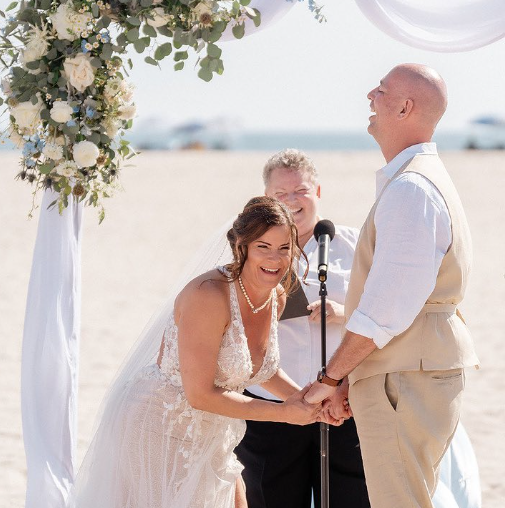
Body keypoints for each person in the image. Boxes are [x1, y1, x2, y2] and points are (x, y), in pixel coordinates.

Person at [69, 196, 327, 508]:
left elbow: (261, 368)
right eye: (263, 247)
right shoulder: (208, 296)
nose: (275, 259)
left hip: (214, 431)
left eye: (284, 248)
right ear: (242, 246)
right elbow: (201, 395)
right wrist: (284, 414)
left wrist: (309, 401)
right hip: (159, 425)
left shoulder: (278, 296)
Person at [305, 63, 480, 508]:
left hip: (405, 379)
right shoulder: (418, 182)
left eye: (381, 91)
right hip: (406, 372)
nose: (370, 95)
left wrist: (331, 377)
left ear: (405, 107)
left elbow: (385, 310)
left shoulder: (412, 190)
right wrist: (353, 380)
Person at [234, 149, 370, 508]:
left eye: (301, 191)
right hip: (273, 408)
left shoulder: (357, 245)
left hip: (344, 405)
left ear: (318, 192)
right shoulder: (253, 251)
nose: (292, 201)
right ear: (267, 198)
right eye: (281, 194)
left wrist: (344, 312)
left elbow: (383, 311)